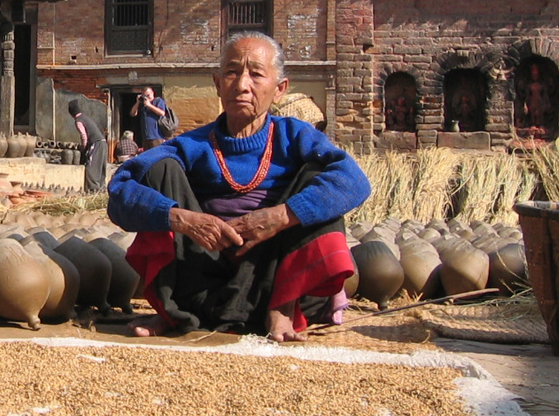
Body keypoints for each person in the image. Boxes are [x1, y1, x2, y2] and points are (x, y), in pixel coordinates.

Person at [108, 32, 368, 343]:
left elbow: (354, 181)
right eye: (231, 72)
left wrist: (281, 216)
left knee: (319, 177)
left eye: (256, 74)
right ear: (217, 83)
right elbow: (120, 189)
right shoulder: (193, 144)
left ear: (280, 89)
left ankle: (281, 310)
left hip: (272, 279)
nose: (242, 84)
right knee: (160, 171)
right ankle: (175, 312)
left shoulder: (294, 136)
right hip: (205, 277)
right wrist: (183, 219)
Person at [68, 99, 107, 193]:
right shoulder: (86, 117)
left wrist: (84, 148)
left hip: (96, 143)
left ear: (71, 113)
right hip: (103, 143)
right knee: (101, 167)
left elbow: (83, 136)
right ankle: (102, 189)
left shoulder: (78, 121)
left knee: (91, 168)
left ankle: (93, 190)